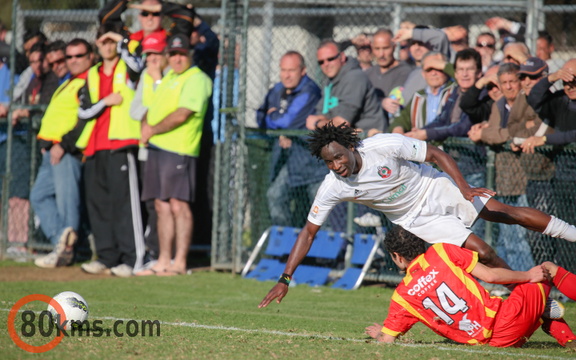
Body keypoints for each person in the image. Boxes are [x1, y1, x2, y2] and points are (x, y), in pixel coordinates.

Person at [257, 122, 576, 308]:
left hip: (434, 186)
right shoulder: (333, 186)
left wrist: (464, 188)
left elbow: (436, 153)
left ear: (350, 146)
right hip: (416, 219)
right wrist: (286, 278)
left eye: (339, 157)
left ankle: (571, 232)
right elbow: (308, 232)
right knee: (484, 252)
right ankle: (535, 301)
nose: (337, 165)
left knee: (503, 213)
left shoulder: (383, 145)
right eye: (329, 163)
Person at [365, 226, 576, 348]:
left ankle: (556, 324)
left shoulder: (402, 296)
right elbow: (491, 276)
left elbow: (387, 341)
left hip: (495, 343)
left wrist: (378, 335)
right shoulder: (441, 252)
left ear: (397, 256)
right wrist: (528, 275)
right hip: (508, 319)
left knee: (534, 304)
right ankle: (548, 313)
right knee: (547, 268)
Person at [136, 34, 212, 276]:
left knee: (178, 205)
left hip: (179, 149)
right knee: (160, 205)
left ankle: (179, 262)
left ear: (189, 54)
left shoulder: (196, 78)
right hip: (156, 148)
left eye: (182, 54)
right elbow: (151, 106)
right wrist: (146, 128)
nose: (178, 59)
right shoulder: (169, 76)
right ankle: (163, 260)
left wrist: (152, 129)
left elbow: (183, 113)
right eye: (173, 54)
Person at [77, 27, 144, 277]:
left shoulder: (125, 68)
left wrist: (123, 42)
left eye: (112, 42)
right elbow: (83, 111)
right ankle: (106, 256)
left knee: (124, 204)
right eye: (104, 41)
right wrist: (106, 101)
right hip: (95, 146)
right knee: (99, 204)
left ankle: (131, 258)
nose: (108, 46)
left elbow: (137, 67)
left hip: (121, 143)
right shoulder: (92, 74)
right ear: (97, 44)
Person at [31, 38, 94, 268]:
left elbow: (85, 119)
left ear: (90, 57)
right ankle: (62, 241)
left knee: (68, 205)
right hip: (51, 151)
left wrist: (64, 145)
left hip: (66, 152)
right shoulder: (70, 81)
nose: (72, 61)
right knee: (39, 196)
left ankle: (68, 252)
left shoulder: (88, 81)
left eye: (78, 56)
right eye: (69, 57)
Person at [256, 51, 325, 227]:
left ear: (303, 71)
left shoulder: (310, 90)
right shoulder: (277, 89)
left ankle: (326, 254)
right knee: (275, 195)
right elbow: (260, 116)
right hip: (288, 160)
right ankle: (286, 247)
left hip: (313, 162)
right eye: (283, 70)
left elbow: (290, 121)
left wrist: (277, 119)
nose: (286, 75)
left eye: (291, 70)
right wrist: (280, 127)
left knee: (319, 211)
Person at [305, 39, 386, 134]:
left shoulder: (355, 78)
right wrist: (322, 121)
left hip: (371, 139)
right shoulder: (330, 82)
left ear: (342, 57)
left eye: (330, 59)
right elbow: (322, 114)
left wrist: (317, 124)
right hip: (350, 140)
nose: (326, 64)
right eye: (321, 62)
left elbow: (341, 124)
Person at [389, 51, 455, 133]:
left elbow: (462, 77)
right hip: (423, 145)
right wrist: (398, 129)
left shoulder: (456, 90)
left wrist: (446, 66)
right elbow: (402, 119)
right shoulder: (419, 96)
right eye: (429, 69)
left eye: (438, 68)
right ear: (423, 74)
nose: (433, 73)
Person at [392, 24, 451, 102]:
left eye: (421, 43)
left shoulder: (438, 59)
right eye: (413, 44)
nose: (417, 48)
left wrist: (411, 33)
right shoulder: (411, 72)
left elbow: (440, 37)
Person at [364, 29, 414, 120]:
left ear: (394, 47)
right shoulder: (368, 74)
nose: (381, 54)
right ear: (372, 48)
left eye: (385, 48)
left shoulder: (405, 72)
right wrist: (381, 102)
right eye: (377, 49)